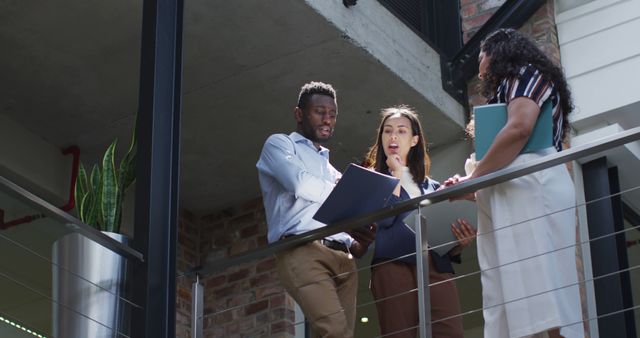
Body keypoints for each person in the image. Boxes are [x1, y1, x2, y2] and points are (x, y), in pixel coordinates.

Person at [445, 29, 585, 338]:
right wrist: (470, 186)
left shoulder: (525, 73)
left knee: (543, 292)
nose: (479, 69)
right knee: (521, 293)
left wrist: (473, 179)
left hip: (536, 186)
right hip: (521, 188)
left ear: (498, 52)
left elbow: (520, 129)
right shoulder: (507, 88)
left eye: (481, 56)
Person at [256, 81, 376, 338]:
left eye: (332, 115)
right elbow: (299, 183)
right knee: (333, 331)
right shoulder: (280, 145)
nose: (327, 120)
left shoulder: (332, 170)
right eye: (319, 112)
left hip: (344, 258)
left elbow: (342, 217)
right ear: (299, 114)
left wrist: (358, 242)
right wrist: (345, 195)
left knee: (343, 335)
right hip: (302, 251)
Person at [362, 105, 477, 338]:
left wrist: (458, 243)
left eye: (401, 131)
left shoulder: (433, 186)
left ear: (414, 140)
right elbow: (384, 222)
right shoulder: (373, 178)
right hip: (394, 264)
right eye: (387, 131)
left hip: (435, 264)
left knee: (450, 332)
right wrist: (397, 175)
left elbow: (440, 232)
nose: (393, 136)